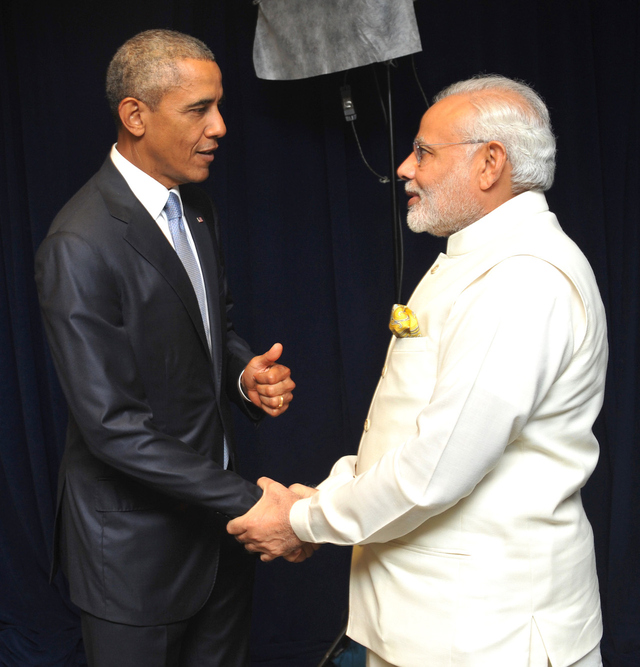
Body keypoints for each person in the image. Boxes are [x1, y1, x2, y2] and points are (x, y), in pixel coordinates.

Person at [228, 75, 608, 667]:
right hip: (430, 627)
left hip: (487, 639)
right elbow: (410, 436)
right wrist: (321, 496)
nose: (405, 168)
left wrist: (303, 520)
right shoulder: (476, 258)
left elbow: (436, 469)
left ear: (490, 163)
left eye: (425, 152)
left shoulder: (522, 279)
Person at [35, 29, 296, 667]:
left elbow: (213, 327)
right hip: (134, 560)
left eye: (219, 106)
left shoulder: (196, 209)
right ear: (135, 116)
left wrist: (242, 377)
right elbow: (112, 427)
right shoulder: (79, 243)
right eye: (199, 109)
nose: (221, 126)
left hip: (218, 545)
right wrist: (255, 504)